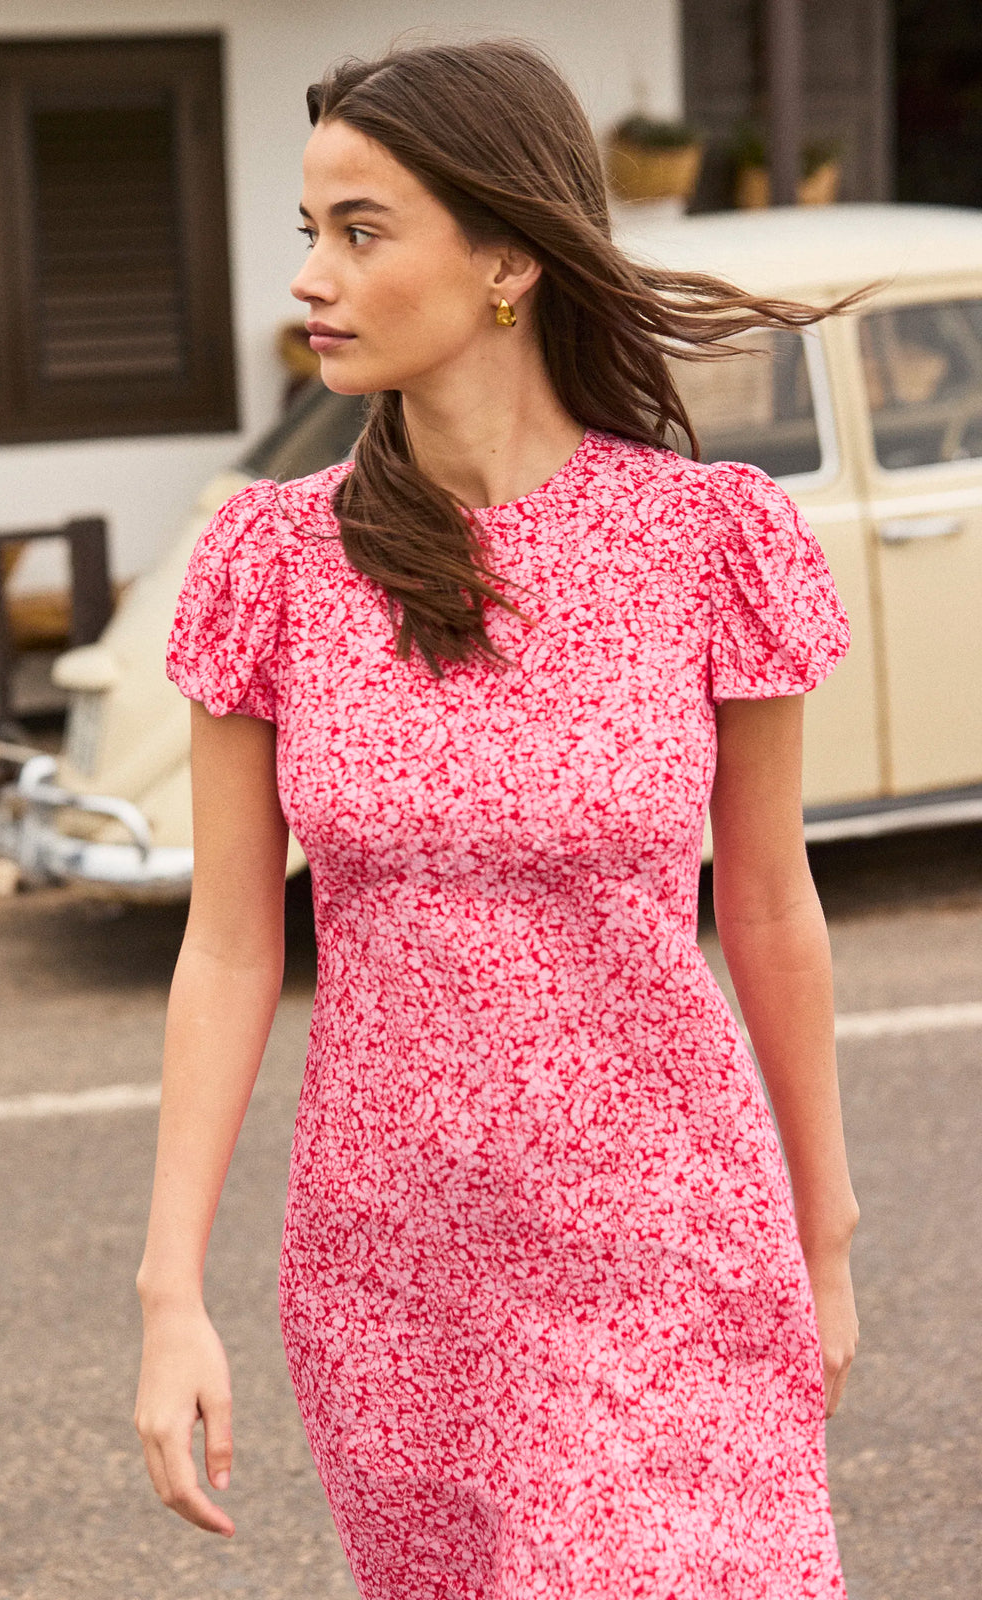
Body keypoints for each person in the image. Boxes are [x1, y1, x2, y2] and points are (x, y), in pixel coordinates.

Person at [134, 35, 864, 1599]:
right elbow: (227, 950)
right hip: (399, 1280)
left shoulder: (706, 540)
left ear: (509, 258)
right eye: (308, 233)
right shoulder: (272, 565)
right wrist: (168, 1291)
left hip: (676, 1238)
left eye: (362, 229)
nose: (311, 279)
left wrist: (829, 1225)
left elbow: (770, 910)